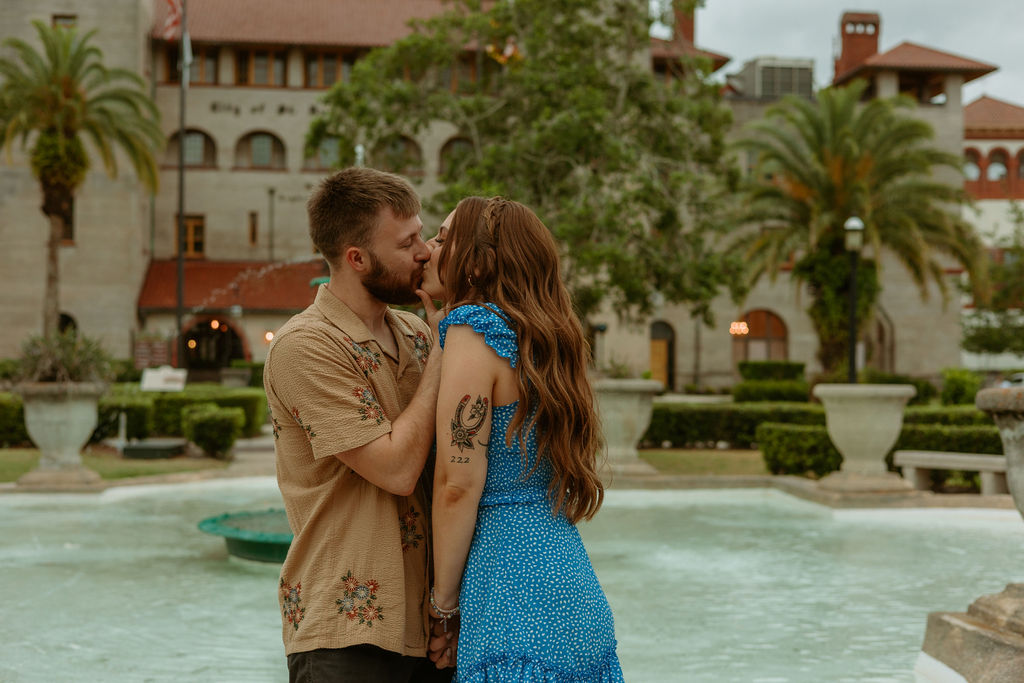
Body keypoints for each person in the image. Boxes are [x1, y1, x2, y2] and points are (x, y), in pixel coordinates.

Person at [420, 196, 624, 681]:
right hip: (571, 587)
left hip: (510, 594)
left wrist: (443, 609)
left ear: (476, 261)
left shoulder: (473, 331)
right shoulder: (542, 340)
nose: (429, 248)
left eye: (444, 238)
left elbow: (457, 484)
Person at [263, 167, 453, 682]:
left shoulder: (416, 334)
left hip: (428, 628)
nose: (424, 251)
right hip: (343, 633)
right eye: (407, 241)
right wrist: (443, 354)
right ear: (357, 258)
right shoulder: (305, 346)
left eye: (422, 233)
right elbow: (395, 469)